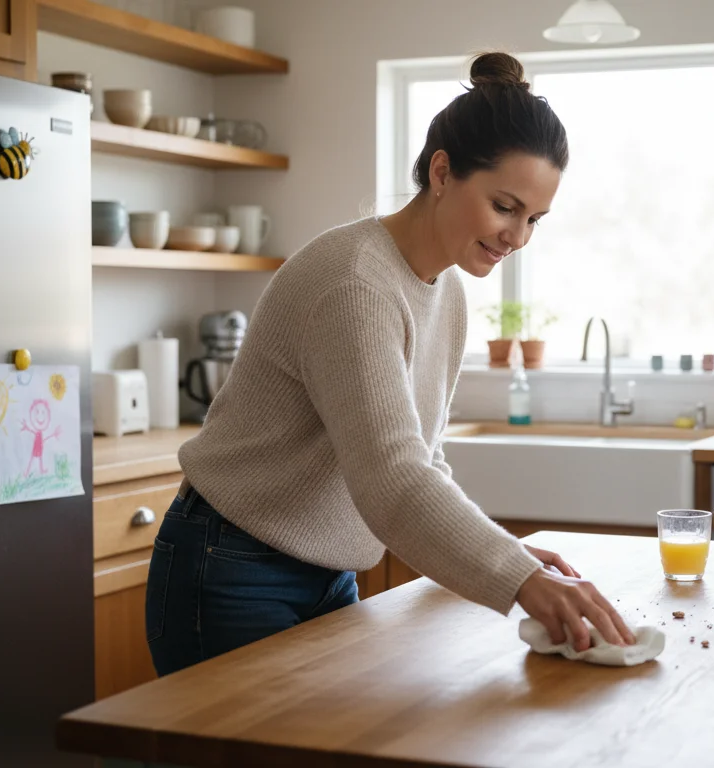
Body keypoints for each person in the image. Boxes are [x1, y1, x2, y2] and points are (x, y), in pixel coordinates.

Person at [145, 51, 635, 676]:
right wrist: (518, 579)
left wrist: (506, 554)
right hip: (230, 566)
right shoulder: (354, 283)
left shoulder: (445, 287)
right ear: (441, 171)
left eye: (534, 219)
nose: (519, 237)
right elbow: (393, 479)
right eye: (505, 207)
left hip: (327, 570)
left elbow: (422, 457)